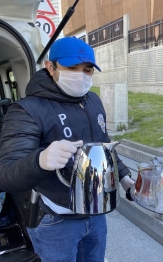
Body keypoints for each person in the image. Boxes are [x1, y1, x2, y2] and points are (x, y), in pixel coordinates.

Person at [0, 36, 135, 262]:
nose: (81, 75)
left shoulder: (93, 100)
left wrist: (125, 179)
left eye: (88, 70)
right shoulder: (26, 110)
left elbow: (104, 145)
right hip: (55, 220)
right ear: (50, 67)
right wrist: (40, 160)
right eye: (72, 68)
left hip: (96, 214)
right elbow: (6, 174)